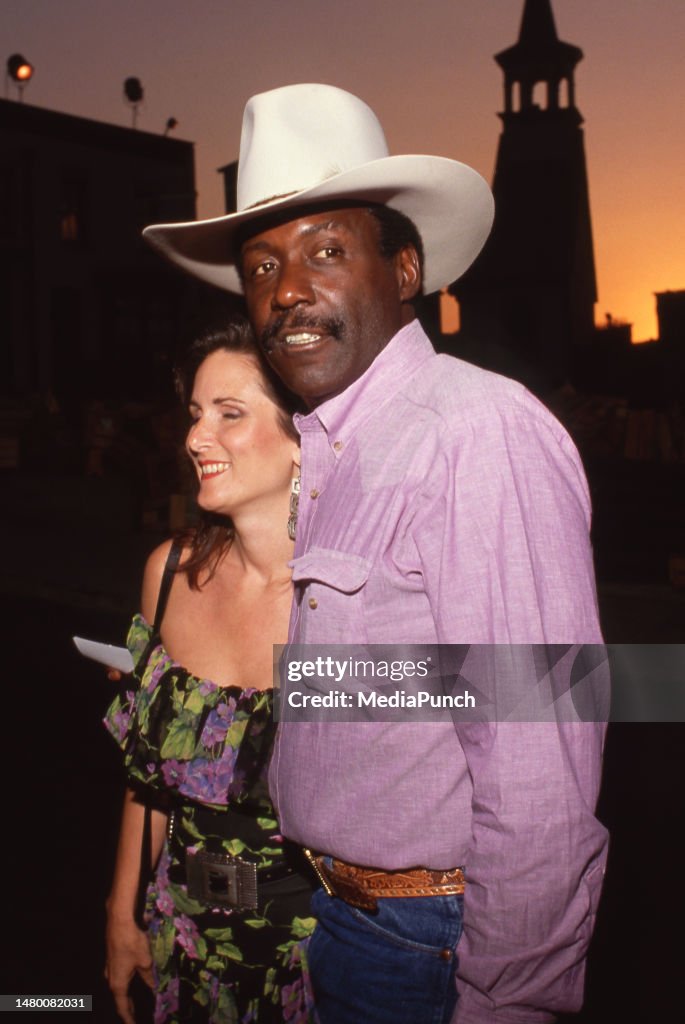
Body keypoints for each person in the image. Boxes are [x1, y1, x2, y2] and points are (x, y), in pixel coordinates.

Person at [142, 84, 609, 1023]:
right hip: (339, 927)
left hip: (431, 946)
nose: (287, 291)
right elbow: (423, 693)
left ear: (403, 272)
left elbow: (539, 766)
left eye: (325, 251)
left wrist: (506, 1002)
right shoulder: (333, 455)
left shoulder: (473, 434)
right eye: (263, 265)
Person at [103, 320, 317, 1024]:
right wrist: (123, 912)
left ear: (301, 440)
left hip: (316, 951)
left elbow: (551, 689)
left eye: (230, 414)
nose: (196, 438)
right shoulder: (169, 576)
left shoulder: (341, 604)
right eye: (196, 414)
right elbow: (147, 776)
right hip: (183, 931)